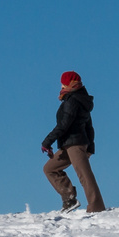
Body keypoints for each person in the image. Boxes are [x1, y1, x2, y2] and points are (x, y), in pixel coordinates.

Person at [41, 70, 105, 212]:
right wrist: (90, 147)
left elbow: (64, 125)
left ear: (69, 83)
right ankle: (69, 198)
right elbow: (89, 126)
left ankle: (96, 207)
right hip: (69, 144)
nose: (62, 86)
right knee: (50, 169)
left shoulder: (73, 100)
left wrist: (47, 142)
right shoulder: (80, 99)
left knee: (84, 175)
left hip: (75, 144)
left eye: (63, 83)